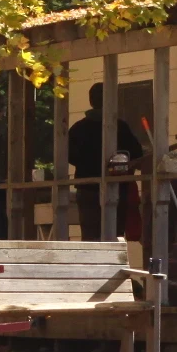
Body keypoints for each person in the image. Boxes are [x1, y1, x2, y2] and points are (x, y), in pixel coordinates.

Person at [67, 85, 145, 240]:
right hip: (115, 187)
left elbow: (69, 156)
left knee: (90, 238)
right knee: (114, 237)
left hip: (87, 188)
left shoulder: (78, 128)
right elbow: (137, 155)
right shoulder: (120, 127)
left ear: (91, 101)